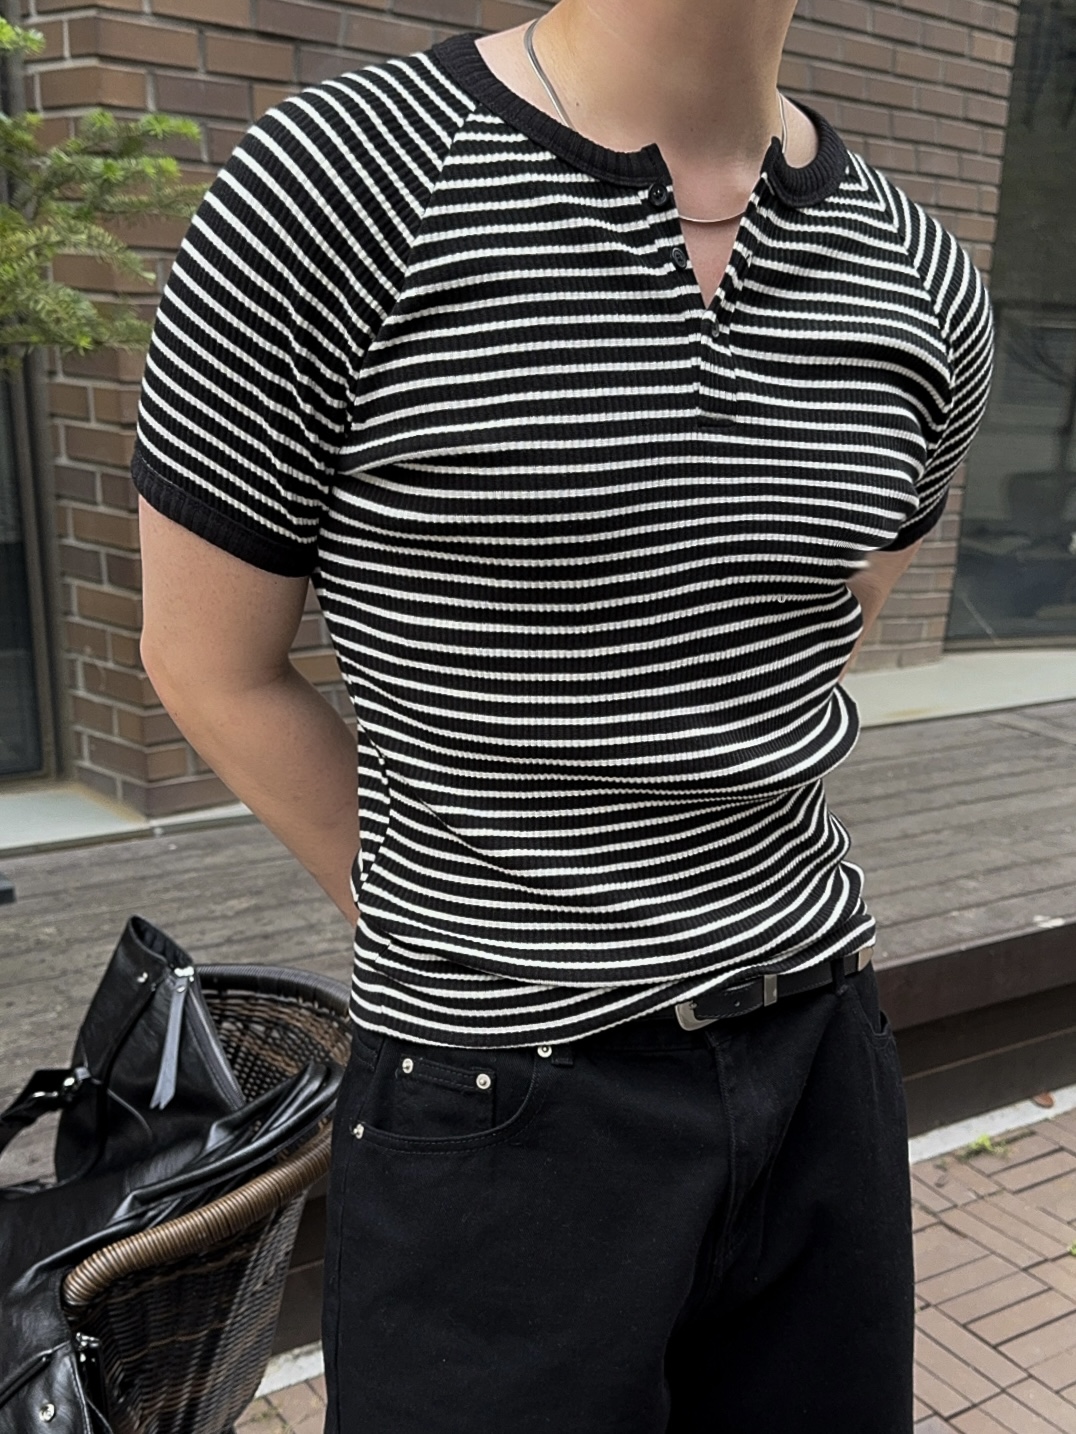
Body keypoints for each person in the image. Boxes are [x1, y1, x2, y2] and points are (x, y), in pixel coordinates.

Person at [135, 1, 994, 1429]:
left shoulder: (924, 281)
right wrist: (467, 912)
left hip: (818, 1062)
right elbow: (205, 659)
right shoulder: (339, 181)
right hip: (494, 1101)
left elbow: (796, 654)